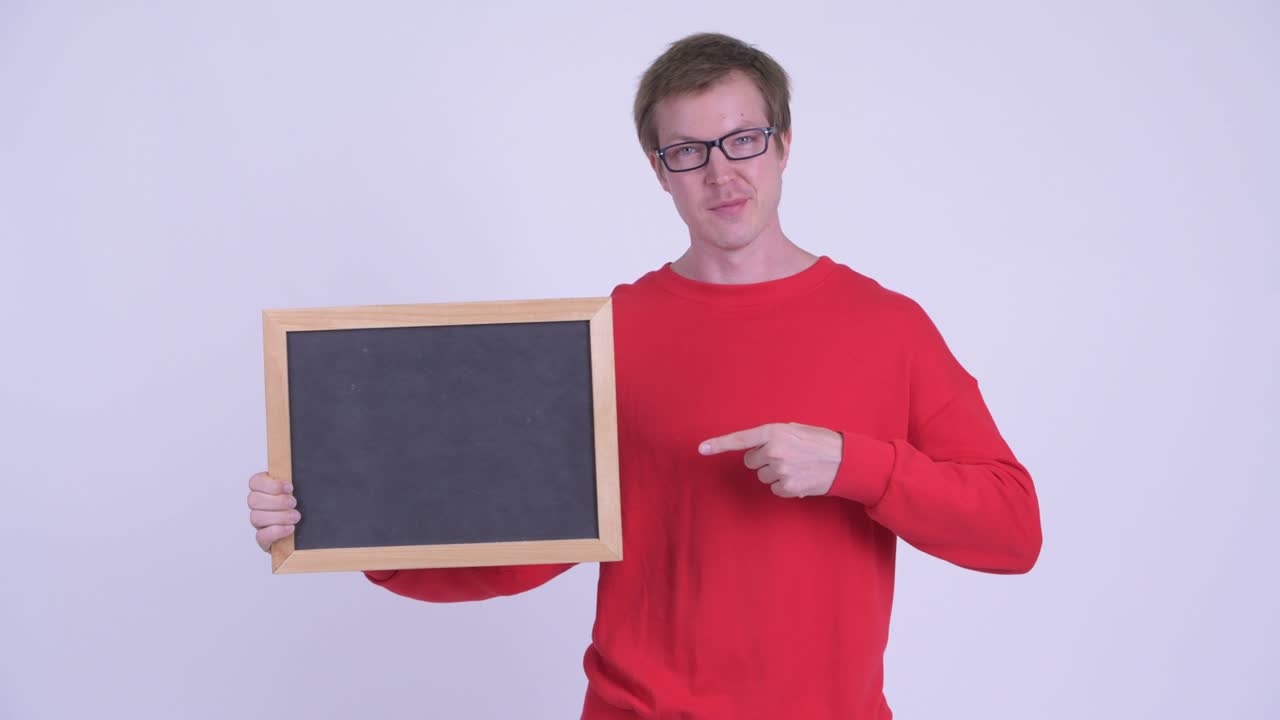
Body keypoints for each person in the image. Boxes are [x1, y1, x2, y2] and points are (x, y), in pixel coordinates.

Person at [247, 32, 1042, 719]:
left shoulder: (888, 326)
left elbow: (1012, 530)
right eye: (688, 152)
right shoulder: (606, 336)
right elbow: (518, 545)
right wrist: (338, 519)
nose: (721, 175)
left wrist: (852, 464)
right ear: (660, 171)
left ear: (784, 145)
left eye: (743, 140)